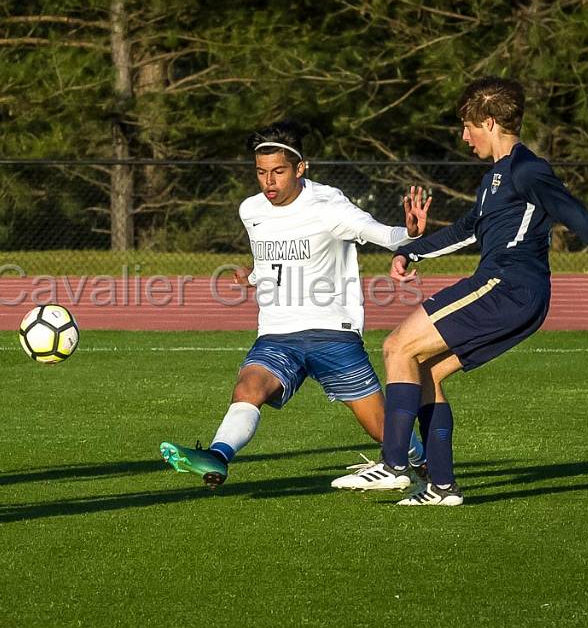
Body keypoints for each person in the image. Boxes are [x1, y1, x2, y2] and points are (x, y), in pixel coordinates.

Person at [360, 76, 588, 506]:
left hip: (507, 287)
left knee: (397, 346)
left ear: (489, 122)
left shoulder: (528, 169)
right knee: (425, 370)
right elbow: (469, 231)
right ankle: (442, 487)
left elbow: (579, 220)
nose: (464, 137)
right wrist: (412, 252)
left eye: (468, 126)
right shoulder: (496, 178)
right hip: (512, 292)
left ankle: (393, 465)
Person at [159, 120, 432, 488]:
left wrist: (410, 234)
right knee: (247, 389)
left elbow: (383, 234)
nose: (269, 182)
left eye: (278, 172)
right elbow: (272, 259)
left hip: (331, 333)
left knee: (383, 429)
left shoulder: (329, 207)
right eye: (261, 172)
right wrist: (253, 276)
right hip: (277, 333)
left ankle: (426, 465)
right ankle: (218, 456)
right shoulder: (251, 210)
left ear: (300, 168)